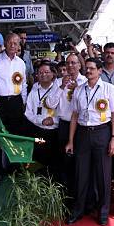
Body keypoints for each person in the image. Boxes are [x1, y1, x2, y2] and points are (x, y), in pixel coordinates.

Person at [65, 57, 114, 226]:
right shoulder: (79, 90)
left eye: (92, 68)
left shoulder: (109, 89)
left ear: (100, 71)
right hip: (82, 134)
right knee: (81, 174)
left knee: (103, 174)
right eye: (86, 68)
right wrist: (70, 141)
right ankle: (79, 209)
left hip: (102, 133)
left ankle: (103, 212)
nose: (88, 71)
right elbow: (74, 116)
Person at [45, 53, 86, 202]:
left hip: (81, 126)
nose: (70, 66)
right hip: (63, 125)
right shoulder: (59, 82)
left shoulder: (85, 82)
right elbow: (50, 103)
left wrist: (79, 89)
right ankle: (65, 198)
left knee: (79, 163)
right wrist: (62, 86)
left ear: (80, 65)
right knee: (64, 162)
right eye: (68, 63)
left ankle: (79, 197)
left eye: (74, 63)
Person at [0, 32, 26, 176]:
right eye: (10, 42)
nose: (12, 45)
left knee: (16, 135)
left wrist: (23, 102)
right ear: (5, 43)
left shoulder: (21, 63)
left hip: (16, 102)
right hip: (0, 102)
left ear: (19, 46)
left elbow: (23, 84)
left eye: (15, 43)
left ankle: (15, 168)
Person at [25, 61, 60, 176]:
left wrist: (54, 120)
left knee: (54, 162)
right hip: (38, 131)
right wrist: (40, 120)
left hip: (55, 132)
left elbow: (65, 111)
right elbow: (28, 112)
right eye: (40, 72)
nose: (43, 74)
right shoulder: (34, 90)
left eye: (46, 72)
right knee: (38, 160)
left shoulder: (58, 89)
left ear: (53, 74)